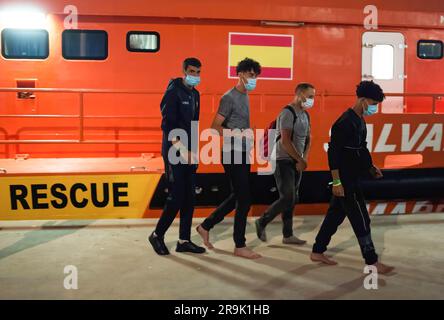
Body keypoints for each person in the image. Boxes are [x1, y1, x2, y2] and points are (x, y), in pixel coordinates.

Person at [310, 80, 394, 274]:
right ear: (363, 100)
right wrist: (337, 182)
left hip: (354, 176)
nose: (374, 107)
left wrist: (371, 167)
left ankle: (317, 251)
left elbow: (361, 149)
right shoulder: (344, 122)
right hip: (345, 180)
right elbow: (334, 153)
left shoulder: (360, 120)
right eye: (373, 103)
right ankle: (371, 260)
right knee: (361, 219)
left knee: (335, 215)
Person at [196, 58, 262, 259]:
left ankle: (205, 226)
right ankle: (239, 245)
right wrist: (239, 133)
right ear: (241, 74)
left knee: (238, 197)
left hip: (242, 151)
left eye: (256, 76)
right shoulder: (229, 97)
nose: (254, 80)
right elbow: (214, 127)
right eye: (251, 75)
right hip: (232, 152)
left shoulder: (246, 96)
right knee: (245, 199)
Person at [148, 57, 206, 255]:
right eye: (191, 71)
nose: (195, 76)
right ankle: (157, 235)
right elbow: (168, 125)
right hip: (175, 151)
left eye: (198, 72)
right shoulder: (173, 92)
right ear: (184, 70)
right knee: (176, 197)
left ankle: (184, 240)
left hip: (190, 152)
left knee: (190, 197)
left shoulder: (196, 94)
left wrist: (195, 152)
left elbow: (194, 125)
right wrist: (182, 149)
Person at [255, 83, 315, 245]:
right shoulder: (287, 113)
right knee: (288, 196)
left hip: (297, 161)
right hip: (283, 160)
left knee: (292, 198)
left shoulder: (305, 115)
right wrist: (299, 159)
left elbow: (309, 139)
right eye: (310, 96)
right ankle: (262, 221)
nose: (312, 100)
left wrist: (304, 159)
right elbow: (285, 141)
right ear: (300, 94)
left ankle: (287, 235)